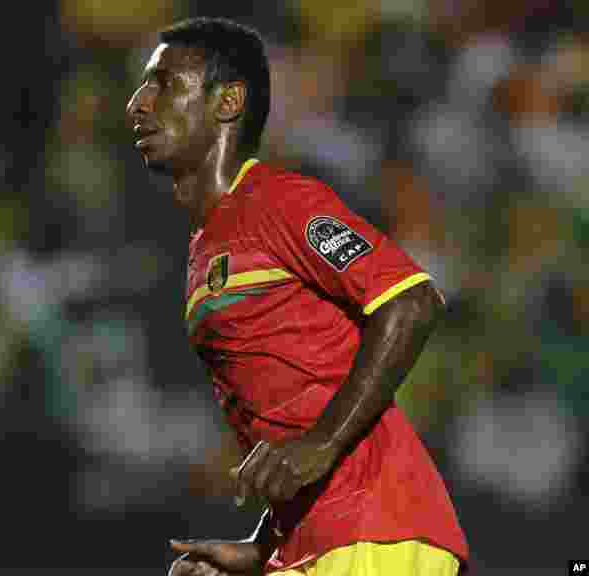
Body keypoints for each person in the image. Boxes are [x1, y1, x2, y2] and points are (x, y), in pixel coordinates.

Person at [124, 17, 470, 576]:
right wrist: (263, 545)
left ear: (228, 101)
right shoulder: (205, 247)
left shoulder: (279, 201)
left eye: (163, 83)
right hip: (317, 540)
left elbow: (412, 302)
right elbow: (290, 416)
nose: (138, 103)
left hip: (376, 529)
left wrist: (321, 444)